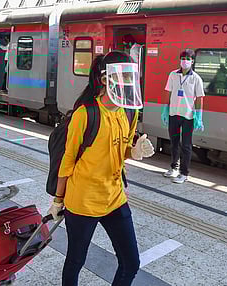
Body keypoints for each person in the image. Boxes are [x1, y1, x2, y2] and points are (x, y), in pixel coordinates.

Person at [47, 51, 155, 286]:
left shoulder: (129, 111)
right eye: (122, 76)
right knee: (76, 260)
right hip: (83, 201)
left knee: (131, 263)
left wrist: (134, 151)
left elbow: (122, 149)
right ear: (105, 80)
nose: (128, 82)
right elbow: (68, 161)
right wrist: (58, 200)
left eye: (131, 77)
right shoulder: (85, 114)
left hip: (115, 198)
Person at [161, 49, 205, 184]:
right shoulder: (173, 75)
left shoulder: (196, 78)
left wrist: (198, 116)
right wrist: (165, 109)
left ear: (192, 61)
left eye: (187, 58)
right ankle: (174, 168)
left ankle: (184, 173)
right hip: (173, 114)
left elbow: (199, 98)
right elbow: (168, 92)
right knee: (173, 142)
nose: (184, 61)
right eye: (182, 58)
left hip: (188, 116)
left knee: (186, 145)